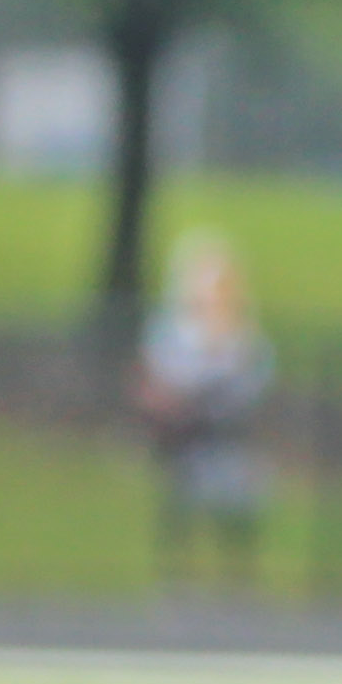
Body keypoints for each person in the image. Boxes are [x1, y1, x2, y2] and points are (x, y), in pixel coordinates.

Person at [134, 231, 273, 590]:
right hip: (187, 435)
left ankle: (236, 578)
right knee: (182, 504)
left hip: (228, 433)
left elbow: (254, 379)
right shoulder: (173, 332)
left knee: (235, 507)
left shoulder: (241, 335)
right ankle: (177, 575)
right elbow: (162, 380)